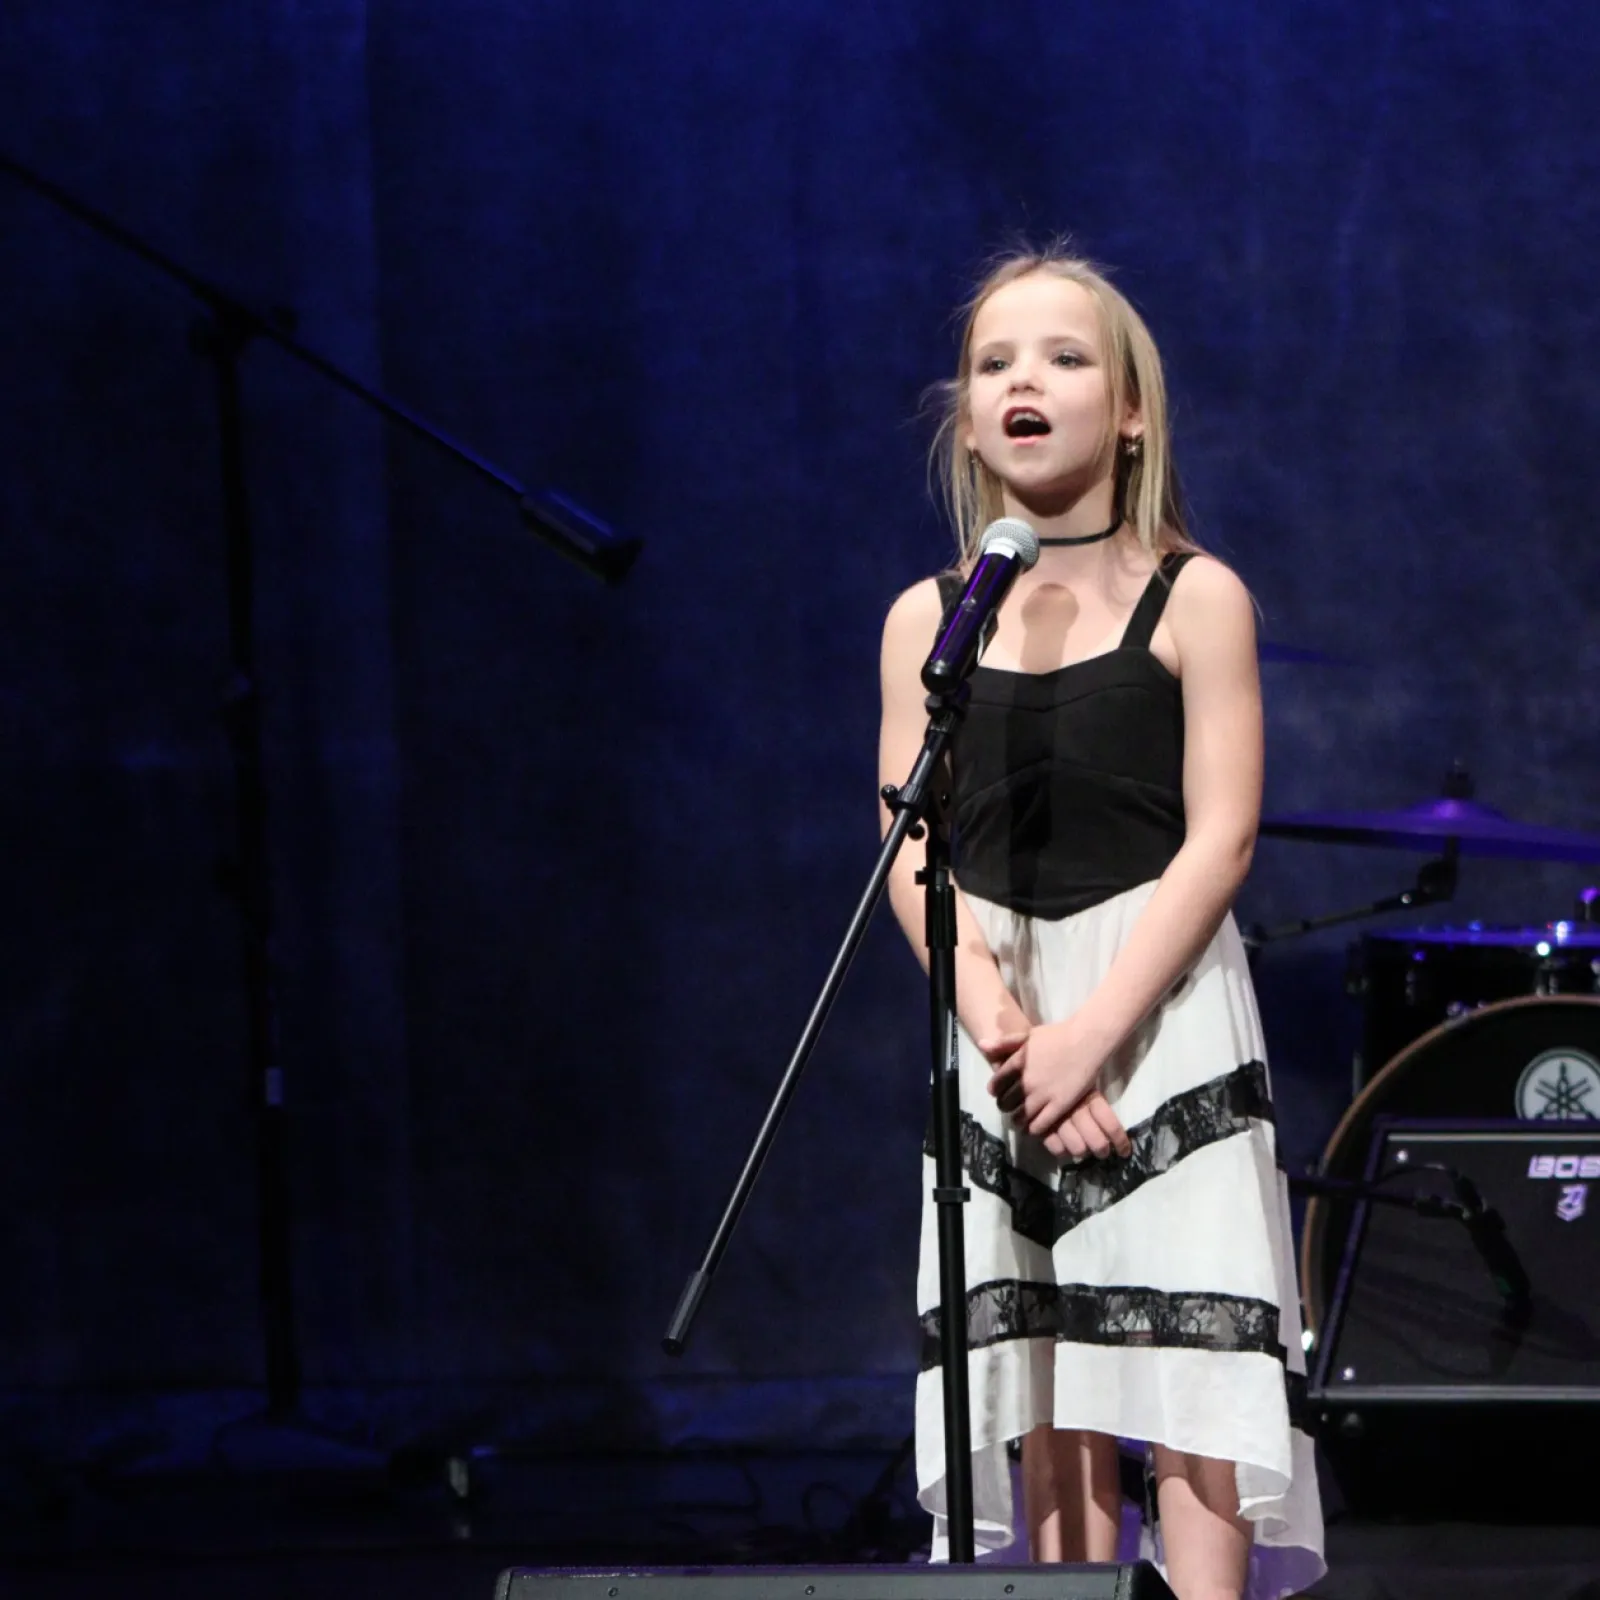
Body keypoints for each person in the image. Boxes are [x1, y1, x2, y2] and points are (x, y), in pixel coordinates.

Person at [876, 247, 1325, 1600]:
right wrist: (1012, 1035)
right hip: (1004, 1013)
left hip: (1159, 1003)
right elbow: (908, 846)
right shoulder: (924, 620)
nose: (1027, 381)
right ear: (966, 416)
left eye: (1065, 358)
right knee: (1046, 1369)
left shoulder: (1199, 596)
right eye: (996, 362)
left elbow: (1223, 833)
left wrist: (1096, 1033)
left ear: (1129, 408)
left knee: (1188, 1364)